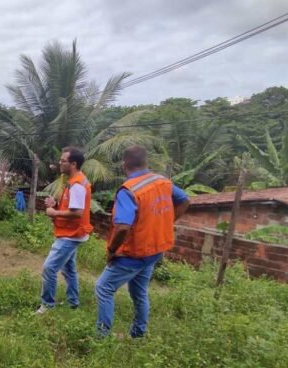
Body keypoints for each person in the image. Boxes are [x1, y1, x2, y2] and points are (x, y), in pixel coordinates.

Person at [95, 145, 190, 338]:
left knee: (103, 288)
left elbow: (122, 226)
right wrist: (165, 223)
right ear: (146, 162)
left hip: (134, 253)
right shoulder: (162, 181)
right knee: (139, 292)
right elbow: (185, 200)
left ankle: (101, 337)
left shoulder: (128, 190)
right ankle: (138, 334)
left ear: (124, 165)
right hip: (154, 251)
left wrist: (112, 249)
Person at [36, 147, 93, 314]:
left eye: (63, 161)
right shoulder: (74, 182)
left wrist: (54, 212)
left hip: (70, 235)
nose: (60, 163)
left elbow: (77, 213)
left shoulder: (77, 185)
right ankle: (73, 303)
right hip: (70, 232)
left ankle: (47, 306)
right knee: (69, 270)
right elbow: (72, 207)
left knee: (49, 268)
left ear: (73, 164)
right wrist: (55, 205)